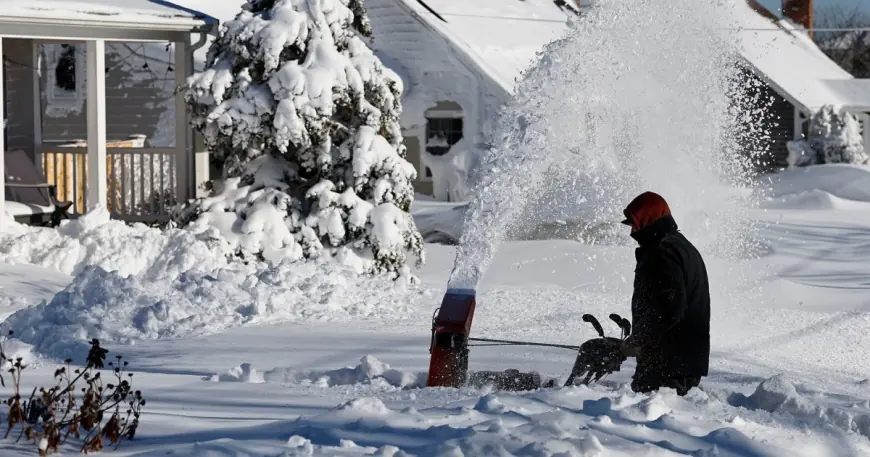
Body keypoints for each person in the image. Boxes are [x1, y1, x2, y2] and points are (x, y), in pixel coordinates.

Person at [619, 191, 710, 396]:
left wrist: (638, 341)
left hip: (667, 363)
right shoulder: (680, 246)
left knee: (650, 422)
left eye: (634, 224)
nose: (632, 231)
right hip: (682, 360)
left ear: (648, 220)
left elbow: (669, 309)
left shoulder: (662, 252)